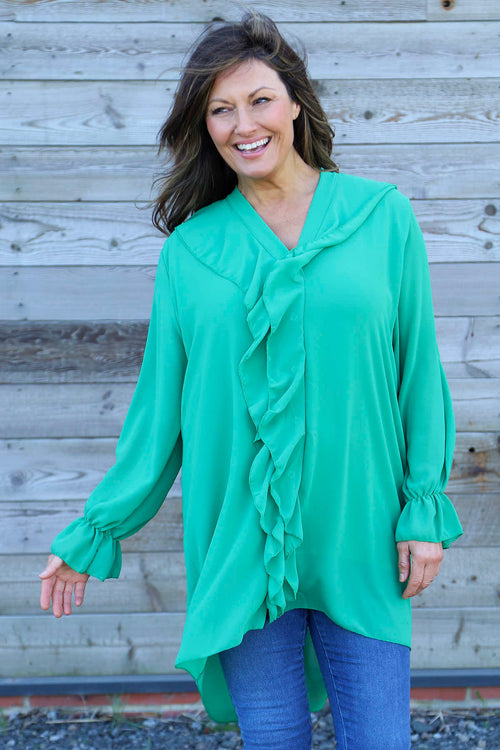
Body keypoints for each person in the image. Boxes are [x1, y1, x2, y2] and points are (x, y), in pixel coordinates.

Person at [39, 10, 463, 750]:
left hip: (362, 534)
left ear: (295, 102)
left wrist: (423, 509)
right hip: (241, 543)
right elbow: (159, 416)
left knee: (381, 739)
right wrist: (96, 529)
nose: (244, 125)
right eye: (220, 109)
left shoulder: (382, 218)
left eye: (260, 99)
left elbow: (418, 374)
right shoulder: (191, 252)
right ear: (204, 126)